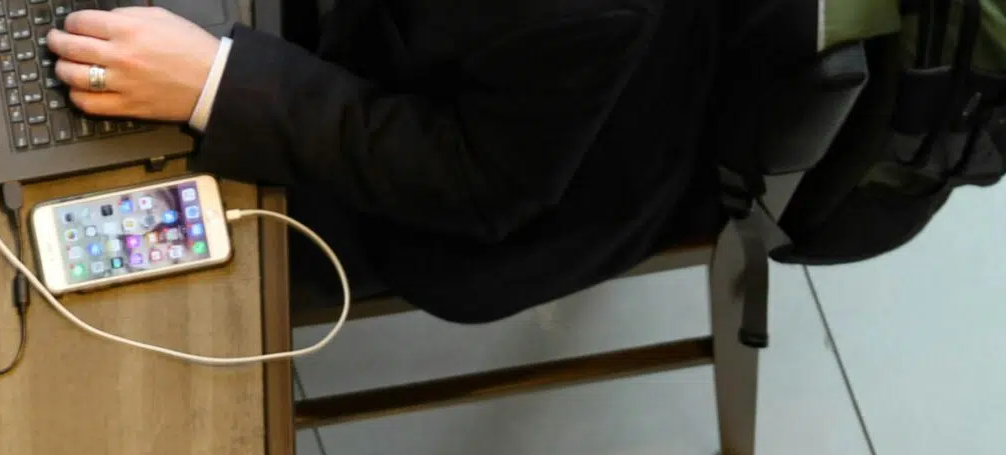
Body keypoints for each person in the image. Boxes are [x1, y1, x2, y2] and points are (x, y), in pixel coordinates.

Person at [42, 1, 720, 323]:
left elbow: (478, 180)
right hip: (392, 50)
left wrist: (216, 84)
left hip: (465, 192)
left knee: (141, 307)